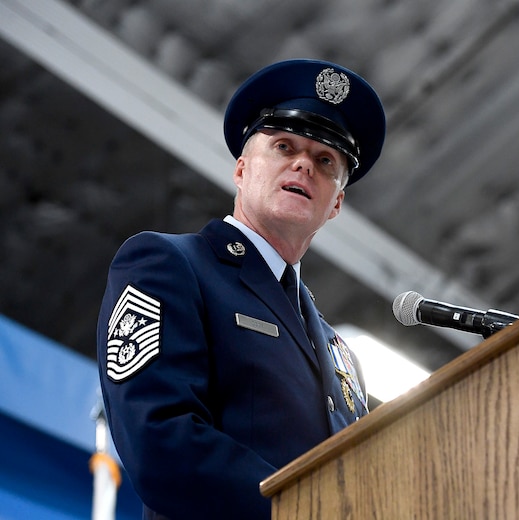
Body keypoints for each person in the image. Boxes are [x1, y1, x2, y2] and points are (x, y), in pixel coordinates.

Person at [96, 59, 386, 519]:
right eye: (284, 145)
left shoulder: (340, 352)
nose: (302, 164)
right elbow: (160, 440)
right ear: (242, 169)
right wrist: (303, 510)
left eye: (325, 160)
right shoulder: (169, 264)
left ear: (337, 203)